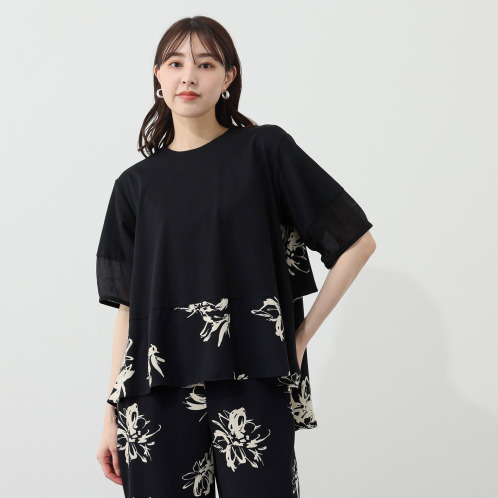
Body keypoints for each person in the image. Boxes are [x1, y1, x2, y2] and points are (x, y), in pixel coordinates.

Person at [95, 15, 376, 498]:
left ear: (228, 77)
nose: (188, 77)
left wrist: (298, 340)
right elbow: (128, 310)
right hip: (154, 393)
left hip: (253, 379)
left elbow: (356, 242)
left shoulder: (264, 150)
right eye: (175, 64)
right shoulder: (134, 187)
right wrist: (110, 414)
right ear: (158, 75)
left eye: (205, 64)